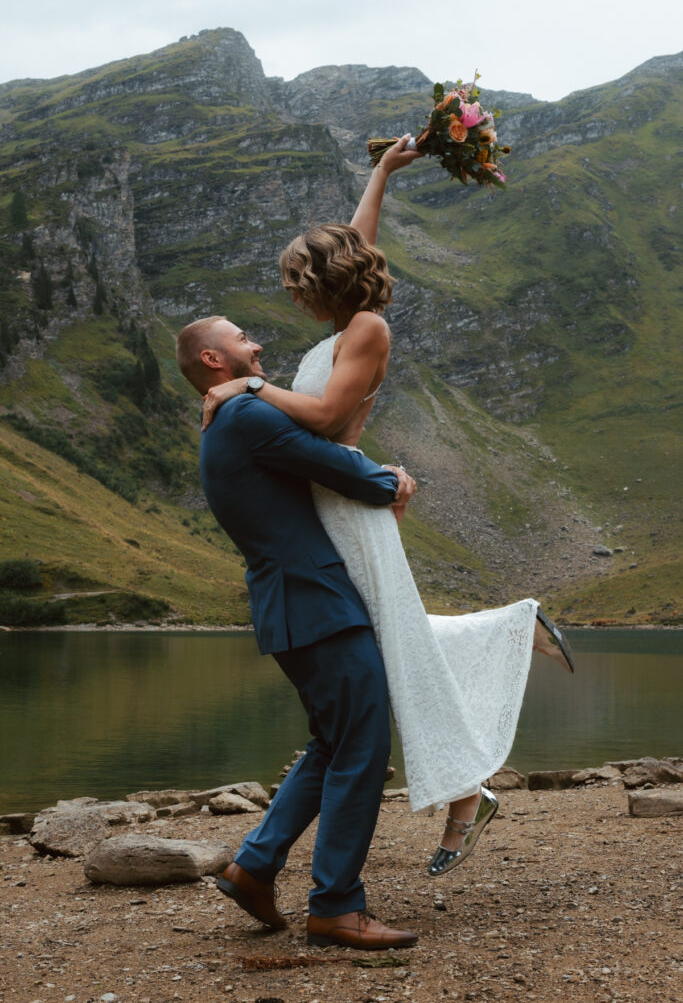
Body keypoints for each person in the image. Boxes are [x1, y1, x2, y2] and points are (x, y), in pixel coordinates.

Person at [201, 135, 576, 878]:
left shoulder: (365, 331)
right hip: (329, 507)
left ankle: (464, 793)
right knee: (390, 646)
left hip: (343, 513)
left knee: (391, 652)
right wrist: (380, 172)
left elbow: (323, 416)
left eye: (295, 278)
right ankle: (499, 661)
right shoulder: (347, 327)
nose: (289, 292)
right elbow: (354, 244)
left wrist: (242, 388)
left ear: (324, 278)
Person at [176, 315, 419, 949]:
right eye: (241, 339)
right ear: (212, 359)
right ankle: (336, 906)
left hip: (292, 605)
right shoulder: (248, 418)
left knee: (333, 743)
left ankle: (253, 866)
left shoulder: (234, 417)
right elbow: (340, 468)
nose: (256, 345)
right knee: (363, 745)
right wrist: (393, 480)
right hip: (315, 604)